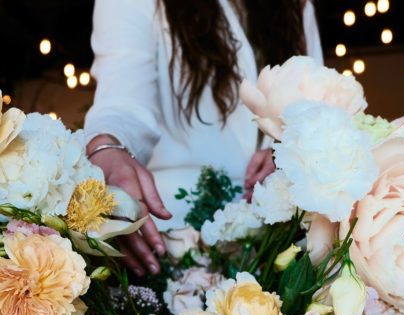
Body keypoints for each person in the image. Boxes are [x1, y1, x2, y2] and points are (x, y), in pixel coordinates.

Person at [84, 0, 323, 276]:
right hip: (175, 244)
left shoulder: (296, 6)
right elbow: (123, 102)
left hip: (282, 244)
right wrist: (107, 146)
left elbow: (314, 107)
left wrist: (288, 152)